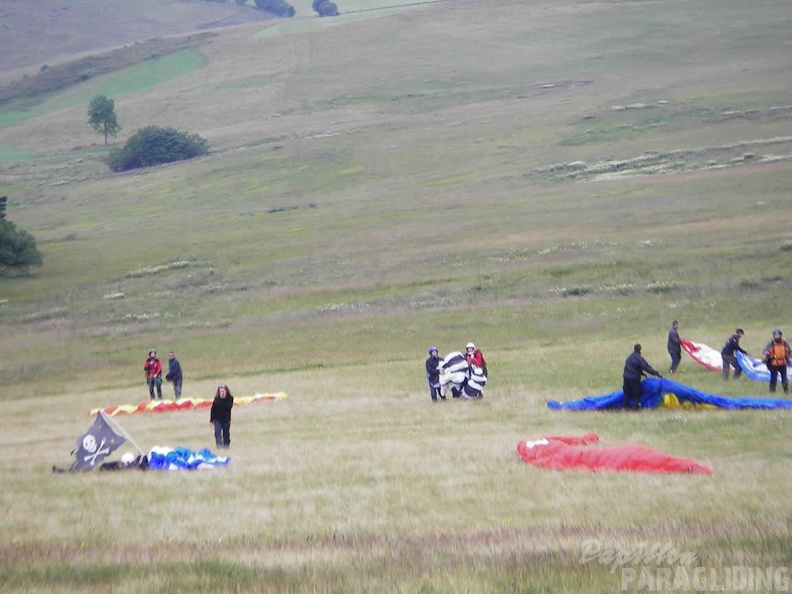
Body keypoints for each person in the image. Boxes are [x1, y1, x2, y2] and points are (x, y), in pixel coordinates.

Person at [622, 343, 663, 409]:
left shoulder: (629, 357)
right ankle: (636, 408)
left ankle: (627, 406)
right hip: (634, 379)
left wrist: (641, 373)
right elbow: (646, 367)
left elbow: (631, 367)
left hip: (626, 377)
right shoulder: (639, 358)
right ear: (640, 349)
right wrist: (656, 373)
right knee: (637, 394)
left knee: (627, 393)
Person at [763, 329, 790, 395]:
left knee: (784, 377)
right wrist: (767, 354)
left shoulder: (784, 344)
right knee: (774, 378)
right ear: (774, 336)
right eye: (775, 335)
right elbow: (765, 351)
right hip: (773, 364)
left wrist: (788, 360)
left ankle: (786, 391)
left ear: (780, 336)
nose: (777, 337)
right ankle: (772, 391)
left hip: (783, 363)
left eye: (778, 335)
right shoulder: (771, 344)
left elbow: (789, 351)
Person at [210, 384, 234, 448]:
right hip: (217, 419)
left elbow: (228, 407)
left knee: (226, 434)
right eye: (220, 391)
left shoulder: (230, 399)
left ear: (226, 391)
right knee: (217, 432)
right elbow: (213, 410)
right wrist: (211, 420)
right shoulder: (216, 400)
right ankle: (219, 446)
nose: (222, 393)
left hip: (226, 419)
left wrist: (223, 399)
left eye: (223, 391)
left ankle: (226, 446)